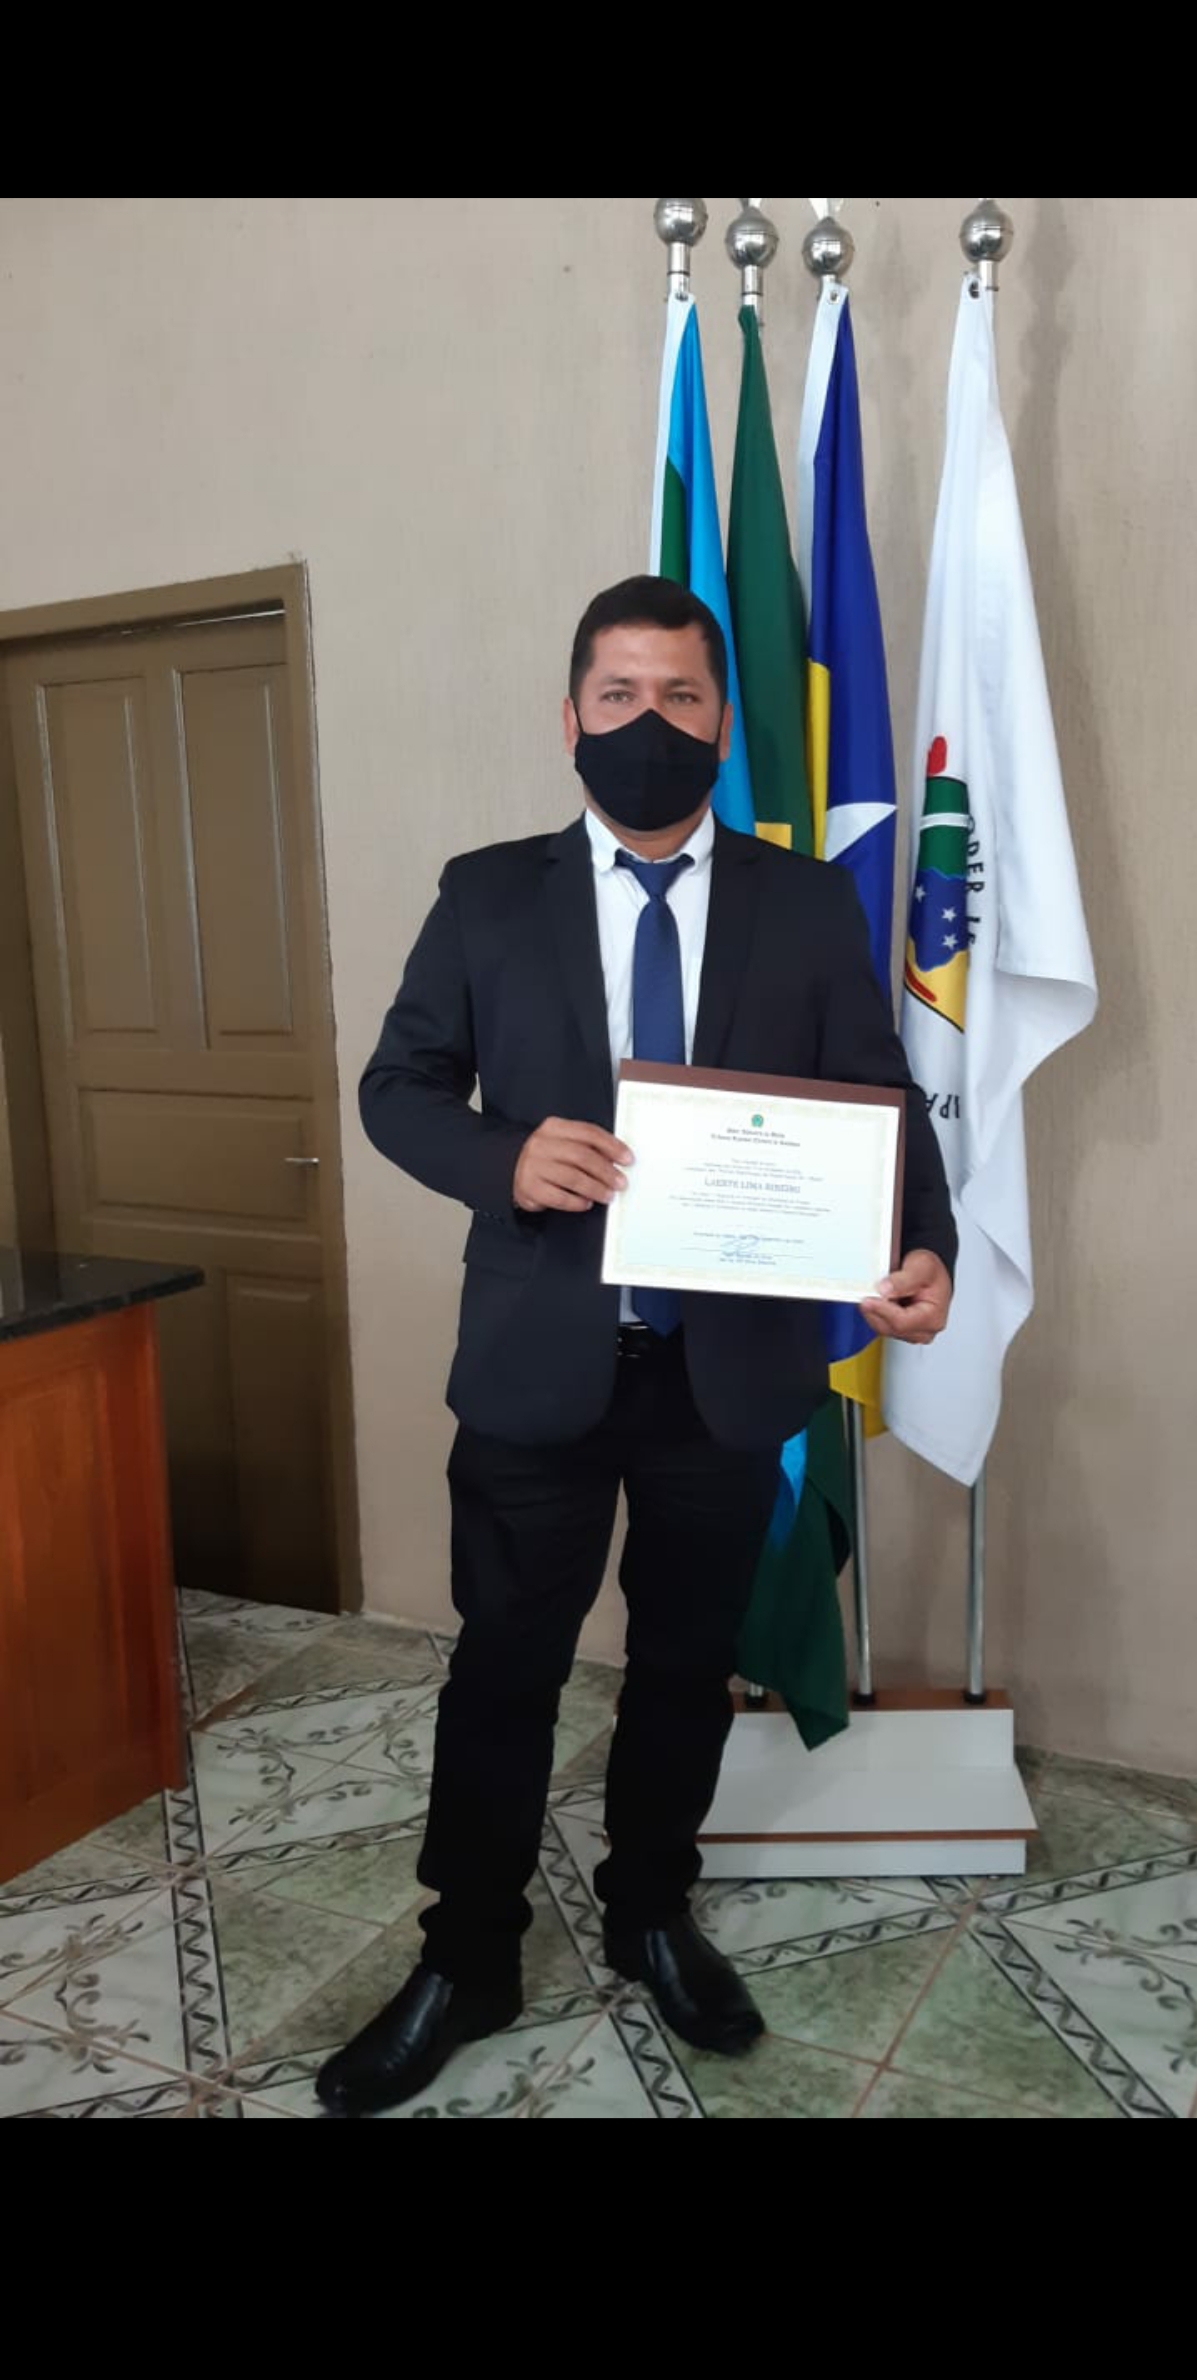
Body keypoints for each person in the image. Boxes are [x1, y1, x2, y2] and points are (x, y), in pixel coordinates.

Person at [316, 575, 957, 2115]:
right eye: (620, 696)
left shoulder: (805, 901)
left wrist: (921, 1242)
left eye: (680, 697)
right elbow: (398, 1088)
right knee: (505, 1670)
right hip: (539, 1364)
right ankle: (468, 1953)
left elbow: (878, 1097)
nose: (649, 723)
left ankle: (650, 1913)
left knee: (681, 1667)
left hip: (723, 1376)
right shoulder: (490, 894)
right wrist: (506, 1157)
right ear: (571, 718)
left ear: (723, 722)